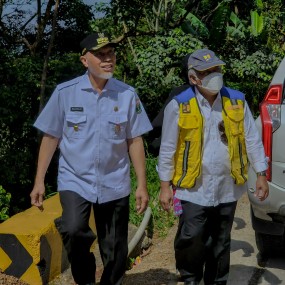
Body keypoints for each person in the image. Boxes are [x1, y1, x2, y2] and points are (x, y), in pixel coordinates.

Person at [30, 32, 153, 285]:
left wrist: (142, 184)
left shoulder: (127, 95)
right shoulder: (65, 93)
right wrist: (39, 180)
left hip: (115, 180)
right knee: (74, 229)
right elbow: (51, 137)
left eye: (111, 54)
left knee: (116, 247)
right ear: (85, 60)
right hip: (75, 179)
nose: (108, 60)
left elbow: (135, 140)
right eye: (101, 55)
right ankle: (85, 280)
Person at [158, 48, 269, 285]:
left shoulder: (237, 101)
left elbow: (252, 139)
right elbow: (167, 148)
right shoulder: (179, 105)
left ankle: (217, 281)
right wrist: (165, 186)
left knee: (220, 242)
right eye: (207, 71)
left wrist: (261, 173)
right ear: (193, 78)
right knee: (192, 237)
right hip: (192, 188)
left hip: (227, 188)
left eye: (216, 69)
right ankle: (190, 277)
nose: (214, 74)